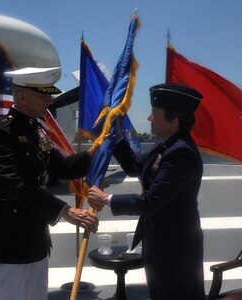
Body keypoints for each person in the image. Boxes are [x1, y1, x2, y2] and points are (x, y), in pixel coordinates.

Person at [0, 67, 98, 299]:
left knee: (35, 295)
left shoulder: (37, 130)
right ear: (22, 96)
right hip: (9, 234)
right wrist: (64, 210)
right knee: (10, 295)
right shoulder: (2, 132)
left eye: (49, 93)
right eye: (43, 94)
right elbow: (14, 184)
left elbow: (62, 168)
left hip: (35, 231)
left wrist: (96, 153)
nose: (50, 99)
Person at [88, 83, 206, 300]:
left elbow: (152, 202)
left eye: (155, 114)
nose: (150, 118)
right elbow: (135, 166)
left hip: (175, 248)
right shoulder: (166, 146)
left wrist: (106, 199)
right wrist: (117, 137)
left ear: (174, 120)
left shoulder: (181, 153)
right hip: (159, 243)